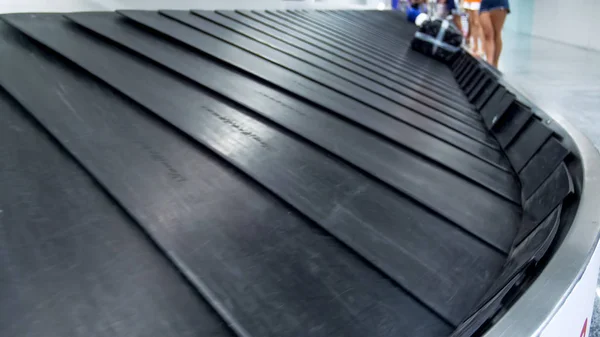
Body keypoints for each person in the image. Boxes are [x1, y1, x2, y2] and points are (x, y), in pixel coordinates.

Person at [479, 0, 510, 67]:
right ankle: (489, 63)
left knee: (496, 34)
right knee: (487, 34)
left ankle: (494, 64)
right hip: (484, 3)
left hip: (499, 3)